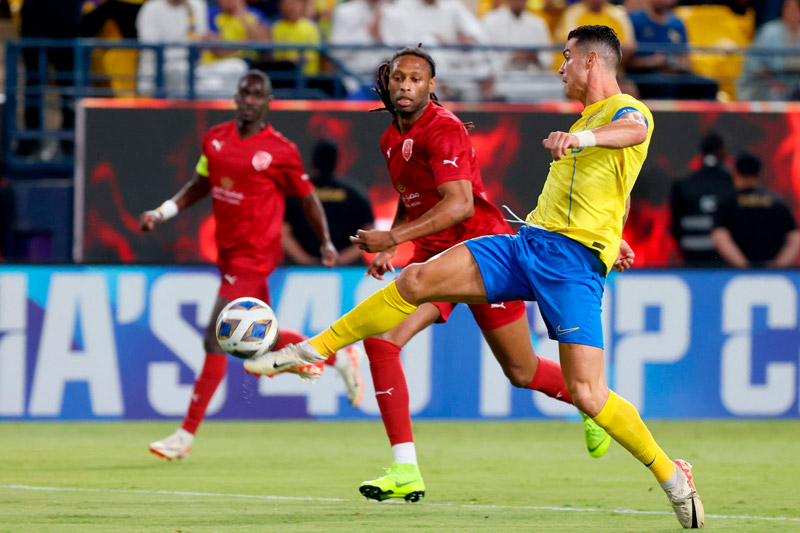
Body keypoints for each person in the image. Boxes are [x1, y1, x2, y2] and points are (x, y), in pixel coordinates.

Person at [244, 27, 706, 529]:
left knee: (589, 393)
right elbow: (614, 185)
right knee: (415, 281)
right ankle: (313, 349)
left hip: (573, 269)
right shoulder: (581, 119)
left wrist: (584, 143)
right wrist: (612, 230)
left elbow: (634, 132)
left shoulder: (624, 111)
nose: (560, 67)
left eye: (567, 57)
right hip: (526, 245)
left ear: (592, 61)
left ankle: (672, 474)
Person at [272, 45, 611, 504]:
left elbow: (460, 204)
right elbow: (411, 194)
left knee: (522, 370)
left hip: (481, 256)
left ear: (432, 87)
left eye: (416, 79)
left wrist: (393, 241)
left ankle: (590, 403)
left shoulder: (445, 128)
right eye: (399, 79)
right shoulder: (391, 138)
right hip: (434, 258)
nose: (406, 86)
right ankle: (405, 468)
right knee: (382, 340)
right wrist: (394, 241)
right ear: (387, 84)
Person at [139, 70, 365, 461]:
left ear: (267, 101)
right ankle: (337, 356)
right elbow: (199, 184)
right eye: (243, 92)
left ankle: (184, 436)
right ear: (235, 96)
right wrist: (163, 211)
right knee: (262, 337)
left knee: (216, 337)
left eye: (256, 94)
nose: (248, 99)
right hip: (228, 254)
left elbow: (308, 199)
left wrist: (326, 241)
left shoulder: (280, 150)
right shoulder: (215, 139)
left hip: (256, 254)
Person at [283, 139, 375, 266]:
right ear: (337, 161)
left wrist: (306, 261)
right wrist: (340, 261)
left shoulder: (296, 192)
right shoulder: (355, 193)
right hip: (348, 272)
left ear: (312, 161)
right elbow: (369, 233)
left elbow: (283, 233)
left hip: (299, 273)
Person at [711, 151, 800, 267]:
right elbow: (795, 237)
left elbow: (720, 236)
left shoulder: (728, 203)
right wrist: (779, 266)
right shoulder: (778, 203)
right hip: (773, 275)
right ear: (760, 173)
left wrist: (743, 266)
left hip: (737, 276)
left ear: (735, 172)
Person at [627, 0, 718, 99]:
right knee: (663, 84)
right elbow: (626, 61)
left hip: (675, 72)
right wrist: (652, 62)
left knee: (707, 84)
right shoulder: (634, 20)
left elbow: (686, 59)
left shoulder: (678, 23)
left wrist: (678, 64)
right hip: (645, 74)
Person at [670, 131, 734, 267]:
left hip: (691, 256)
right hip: (726, 260)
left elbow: (674, 224)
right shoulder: (732, 182)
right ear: (722, 151)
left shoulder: (682, 183)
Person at [738, 0, 800, 101]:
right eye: (788, 8)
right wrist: (770, 78)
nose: (792, 13)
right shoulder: (769, 30)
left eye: (796, 9)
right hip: (769, 83)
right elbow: (753, 64)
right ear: (782, 10)